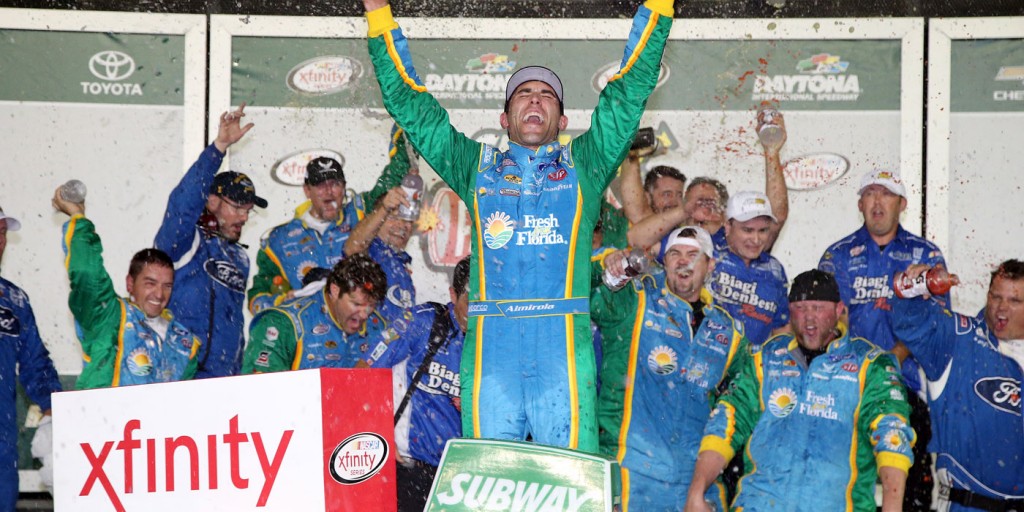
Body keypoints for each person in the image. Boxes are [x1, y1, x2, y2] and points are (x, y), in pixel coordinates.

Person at [362, 0, 674, 451]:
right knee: (490, 482)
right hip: (493, 356)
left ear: (563, 121)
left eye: (546, 96)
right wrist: (379, 17)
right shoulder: (476, 168)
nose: (534, 99)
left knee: (567, 484)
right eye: (523, 94)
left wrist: (659, 8)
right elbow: (411, 107)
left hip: (562, 355)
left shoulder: (584, 164)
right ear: (505, 119)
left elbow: (626, 95)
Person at [685, 269, 915, 512]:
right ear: (789, 311)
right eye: (801, 308)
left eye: (818, 308)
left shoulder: (870, 365)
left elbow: (892, 438)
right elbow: (726, 421)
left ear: (839, 310)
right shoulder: (765, 358)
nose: (809, 318)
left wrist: (893, 506)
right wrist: (697, 490)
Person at [590, 226, 748, 511]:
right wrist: (608, 261)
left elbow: (742, 410)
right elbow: (586, 286)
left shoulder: (729, 332)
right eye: (674, 253)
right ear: (664, 261)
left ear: (710, 265)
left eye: (693, 254)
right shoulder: (635, 300)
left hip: (697, 483)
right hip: (631, 474)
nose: (683, 261)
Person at [818, 168, 946, 510]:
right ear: (860, 203)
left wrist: (896, 355)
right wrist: (864, 363)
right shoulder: (838, 255)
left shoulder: (926, 256)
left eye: (886, 194)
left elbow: (938, 320)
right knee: (842, 486)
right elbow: (828, 320)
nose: (878, 202)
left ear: (901, 203)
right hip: (848, 388)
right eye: (871, 194)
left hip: (905, 389)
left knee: (910, 491)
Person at [891, 260, 1024, 510]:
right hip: (965, 503)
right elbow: (909, 324)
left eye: (1014, 301)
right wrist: (915, 288)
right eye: (995, 297)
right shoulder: (957, 338)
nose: (1001, 308)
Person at [154, 103, 266, 379]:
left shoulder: (239, 257)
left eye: (248, 210)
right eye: (237, 207)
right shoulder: (184, 242)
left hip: (225, 382)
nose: (243, 216)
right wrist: (218, 149)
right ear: (212, 201)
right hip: (183, 377)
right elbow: (182, 204)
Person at [247, 126, 411, 314]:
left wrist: (407, 122)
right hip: (311, 336)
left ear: (344, 187)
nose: (329, 192)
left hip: (362, 332)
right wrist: (285, 301)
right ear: (307, 190)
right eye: (320, 185)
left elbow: (396, 172)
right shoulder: (279, 240)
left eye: (335, 184)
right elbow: (256, 299)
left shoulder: (361, 211)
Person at [54, 189, 201, 389]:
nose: (159, 294)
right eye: (150, 283)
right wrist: (78, 218)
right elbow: (86, 273)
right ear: (130, 284)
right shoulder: (108, 316)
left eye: (167, 286)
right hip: (102, 418)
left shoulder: (185, 343)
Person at [359, 256, 469, 512]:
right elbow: (362, 372)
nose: (478, 312)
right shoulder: (421, 322)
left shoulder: (495, 339)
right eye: (470, 301)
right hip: (408, 466)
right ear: (453, 295)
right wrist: (378, 432)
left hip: (460, 472)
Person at [0, 206, 62, 506]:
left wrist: (59, 410)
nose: (0, 240)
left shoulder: (15, 300)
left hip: (3, 448)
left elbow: (36, 366)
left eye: (2, 232)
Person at [242, 253, 388, 373]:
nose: (364, 315)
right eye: (356, 304)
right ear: (335, 291)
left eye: (370, 307)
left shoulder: (379, 327)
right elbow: (260, 392)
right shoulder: (282, 323)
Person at [708, 190, 790, 345]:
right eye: (747, 230)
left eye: (763, 230)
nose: (756, 239)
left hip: (750, 366)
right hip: (706, 357)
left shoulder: (775, 269)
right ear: (727, 226)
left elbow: (781, 327)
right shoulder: (709, 253)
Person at [344, 186, 415, 320]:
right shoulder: (371, 250)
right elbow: (352, 248)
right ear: (378, 220)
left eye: (408, 220)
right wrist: (384, 208)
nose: (402, 226)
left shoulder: (401, 263)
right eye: (394, 217)